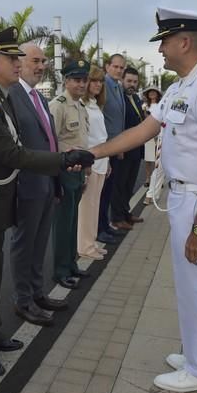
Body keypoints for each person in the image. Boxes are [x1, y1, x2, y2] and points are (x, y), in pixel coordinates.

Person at [90, 7, 197, 393]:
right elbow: (144, 129)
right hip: (182, 198)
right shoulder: (180, 87)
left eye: (165, 42)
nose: (160, 51)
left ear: (185, 42)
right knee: (190, 284)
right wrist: (94, 153)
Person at [0, 27, 94, 377]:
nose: (18, 63)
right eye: (11, 57)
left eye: (19, 57)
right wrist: (63, 161)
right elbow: (10, 153)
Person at [8, 43, 68, 327]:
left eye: (43, 61)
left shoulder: (40, 99)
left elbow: (49, 141)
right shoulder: (11, 95)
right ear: (19, 61)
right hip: (26, 184)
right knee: (24, 245)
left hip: (46, 183)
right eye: (35, 60)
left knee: (40, 242)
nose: (41, 65)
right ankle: (23, 301)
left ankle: (37, 293)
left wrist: (56, 178)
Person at [50, 60, 92, 289]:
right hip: (64, 171)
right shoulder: (59, 105)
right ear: (66, 81)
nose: (82, 84)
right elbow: (51, 141)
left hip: (78, 171)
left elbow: (81, 141)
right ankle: (60, 271)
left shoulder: (79, 105)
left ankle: (71, 264)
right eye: (77, 80)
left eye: (84, 80)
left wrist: (85, 169)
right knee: (63, 223)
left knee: (73, 221)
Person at [78, 65, 110, 259]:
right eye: (94, 80)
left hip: (102, 161)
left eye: (100, 81)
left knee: (94, 205)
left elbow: (102, 136)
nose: (98, 84)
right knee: (86, 206)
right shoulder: (82, 106)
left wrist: (108, 161)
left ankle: (91, 241)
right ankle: (84, 246)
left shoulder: (95, 105)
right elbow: (84, 138)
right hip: (90, 161)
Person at [109, 67, 145, 229]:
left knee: (129, 184)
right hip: (123, 149)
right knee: (119, 185)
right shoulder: (120, 98)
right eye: (129, 81)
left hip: (136, 149)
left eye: (135, 82)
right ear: (122, 81)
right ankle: (117, 218)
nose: (132, 84)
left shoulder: (136, 98)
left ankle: (126, 213)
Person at [97, 54, 126, 243]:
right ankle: (99, 229)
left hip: (116, 146)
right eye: (115, 67)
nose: (119, 70)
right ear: (107, 66)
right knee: (101, 192)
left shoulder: (118, 87)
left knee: (108, 190)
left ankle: (105, 225)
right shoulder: (104, 85)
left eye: (122, 68)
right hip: (105, 146)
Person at [142, 86, 163, 205]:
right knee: (156, 165)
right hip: (152, 135)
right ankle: (150, 194)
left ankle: (154, 193)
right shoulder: (145, 106)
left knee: (161, 168)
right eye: (150, 92)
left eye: (154, 92)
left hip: (163, 136)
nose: (152, 94)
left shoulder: (162, 105)